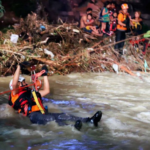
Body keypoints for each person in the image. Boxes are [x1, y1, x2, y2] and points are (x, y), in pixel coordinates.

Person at [8, 63, 102, 130]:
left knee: (63, 115)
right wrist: (19, 67)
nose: (26, 82)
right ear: (18, 84)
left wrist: (45, 75)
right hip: (32, 116)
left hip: (41, 113)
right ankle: (73, 128)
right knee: (53, 119)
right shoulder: (15, 94)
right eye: (23, 81)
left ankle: (89, 120)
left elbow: (47, 90)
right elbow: (15, 82)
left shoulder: (31, 93)